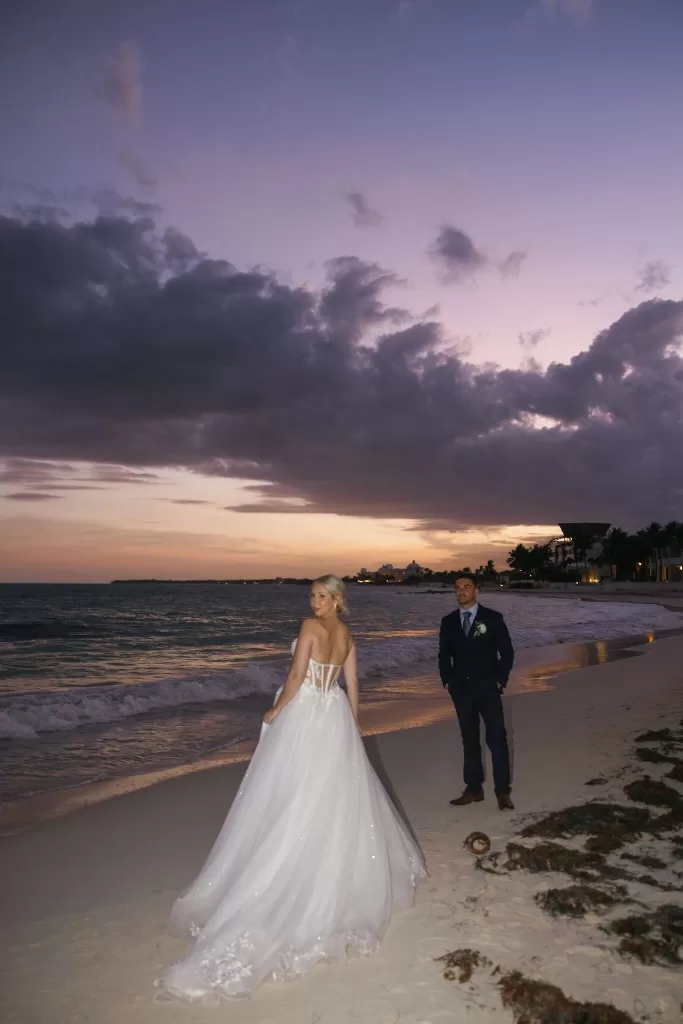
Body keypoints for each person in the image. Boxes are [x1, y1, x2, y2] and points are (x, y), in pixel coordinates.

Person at [157, 574, 425, 1001]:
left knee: (293, 791)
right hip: (333, 715)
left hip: (305, 715)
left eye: (321, 596)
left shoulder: (309, 628)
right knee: (331, 792)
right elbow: (351, 685)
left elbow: (298, 675)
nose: (314, 602)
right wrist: (353, 724)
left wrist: (276, 708)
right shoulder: (347, 634)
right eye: (312, 596)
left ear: (336, 599)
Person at [438, 572, 515, 811]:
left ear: (476, 590)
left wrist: (499, 681)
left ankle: (502, 790)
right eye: (458, 588)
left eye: (466, 587)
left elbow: (507, 652)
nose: (461, 591)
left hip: (487, 688)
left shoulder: (492, 618)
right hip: (461, 691)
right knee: (469, 740)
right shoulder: (448, 621)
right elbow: (443, 656)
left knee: (496, 739)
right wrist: (448, 682)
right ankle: (473, 789)